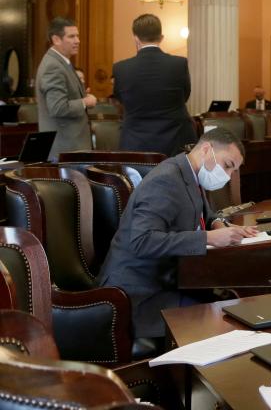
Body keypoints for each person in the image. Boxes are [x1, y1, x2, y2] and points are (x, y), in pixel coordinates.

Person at [97, 128, 258, 340]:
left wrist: (219, 224)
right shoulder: (165, 180)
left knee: (231, 307)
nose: (227, 177)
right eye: (227, 166)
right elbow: (141, 240)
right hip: (138, 294)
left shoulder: (189, 173)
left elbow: (203, 212)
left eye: (233, 171)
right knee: (223, 322)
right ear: (207, 149)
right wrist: (208, 238)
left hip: (170, 280)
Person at [112, 14, 196, 157]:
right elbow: (185, 95)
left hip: (135, 143)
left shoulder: (121, 68)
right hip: (175, 141)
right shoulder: (179, 64)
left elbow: (120, 99)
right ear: (161, 37)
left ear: (136, 38)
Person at [36, 17, 96, 160]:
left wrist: (80, 95)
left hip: (71, 146)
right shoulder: (53, 66)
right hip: (66, 148)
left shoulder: (61, 62)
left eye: (78, 36)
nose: (77, 41)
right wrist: (85, 102)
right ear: (56, 39)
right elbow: (58, 107)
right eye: (71, 36)